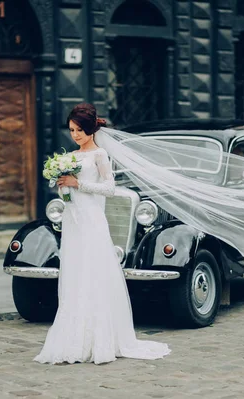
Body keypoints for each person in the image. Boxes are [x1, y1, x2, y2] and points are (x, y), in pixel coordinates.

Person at [33, 104, 171, 365]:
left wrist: (78, 183)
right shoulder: (71, 157)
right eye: (72, 130)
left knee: (94, 274)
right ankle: (74, 338)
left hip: (93, 221)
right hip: (73, 221)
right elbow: (70, 191)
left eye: (80, 130)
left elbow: (109, 188)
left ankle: (100, 339)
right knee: (75, 274)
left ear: (91, 129)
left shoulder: (99, 155)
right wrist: (61, 183)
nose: (75, 135)